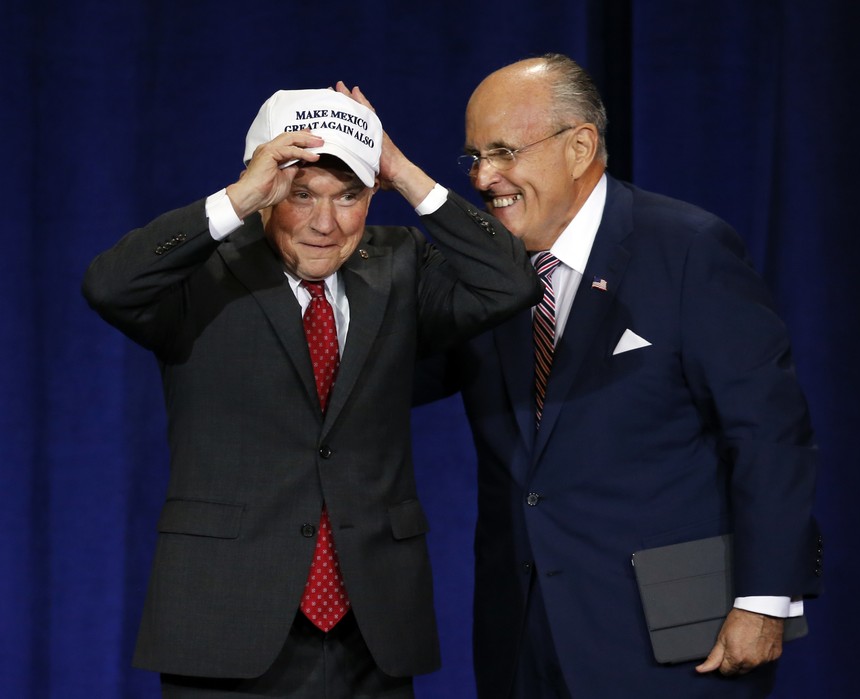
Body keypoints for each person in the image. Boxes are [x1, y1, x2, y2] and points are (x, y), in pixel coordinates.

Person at [81, 85, 540, 698]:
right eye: (302, 195)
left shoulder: (401, 265)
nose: (326, 224)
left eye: (348, 195)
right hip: (226, 625)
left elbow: (510, 282)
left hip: (371, 630)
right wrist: (241, 196)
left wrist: (402, 170)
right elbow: (109, 286)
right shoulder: (199, 275)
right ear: (265, 188)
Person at [417, 54, 822, 698]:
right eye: (474, 158)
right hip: (523, 637)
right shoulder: (482, 271)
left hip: (677, 637)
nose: (485, 177)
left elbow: (769, 433)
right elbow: (393, 377)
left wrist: (766, 597)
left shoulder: (687, 249)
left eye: (502, 152)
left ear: (579, 146)